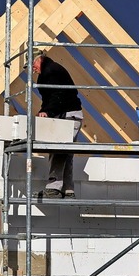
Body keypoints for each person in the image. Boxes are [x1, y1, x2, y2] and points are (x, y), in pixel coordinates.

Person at [31, 50, 83, 199]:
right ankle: (67, 189)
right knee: (66, 153)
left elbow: (58, 95)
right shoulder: (49, 71)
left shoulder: (51, 71)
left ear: (39, 59)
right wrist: (45, 110)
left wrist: (46, 111)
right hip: (72, 115)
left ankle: (54, 187)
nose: (32, 69)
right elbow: (51, 98)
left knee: (58, 150)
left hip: (68, 116)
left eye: (32, 65)